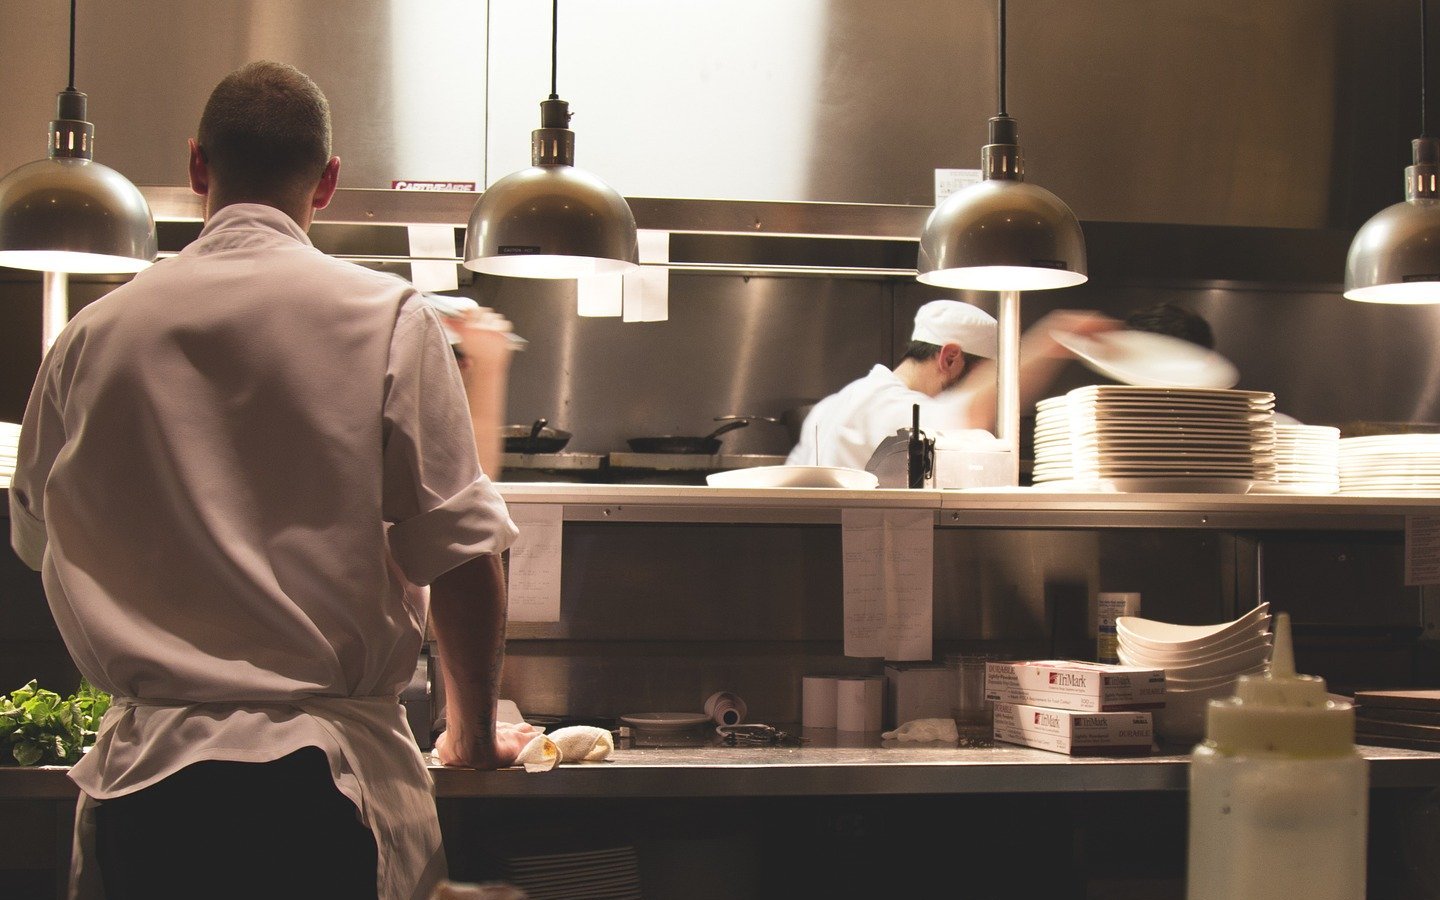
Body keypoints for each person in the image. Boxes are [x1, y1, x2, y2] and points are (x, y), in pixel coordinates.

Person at [8, 61, 538, 899]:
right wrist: (470, 733)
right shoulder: (390, 320)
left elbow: (37, 537)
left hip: (145, 796)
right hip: (327, 795)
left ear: (196, 168)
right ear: (326, 181)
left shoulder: (89, 337)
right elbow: (465, 552)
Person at [786, 299, 1116, 470]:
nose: (989, 391)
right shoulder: (888, 407)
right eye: (984, 378)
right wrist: (1056, 337)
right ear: (950, 358)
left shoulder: (830, 406)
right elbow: (968, 413)